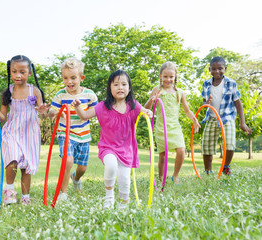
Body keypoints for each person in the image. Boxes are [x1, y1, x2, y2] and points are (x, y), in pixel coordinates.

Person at [72, 69, 153, 209]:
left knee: (125, 178)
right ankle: (109, 198)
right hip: (108, 147)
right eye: (116, 84)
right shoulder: (103, 106)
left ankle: (123, 204)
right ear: (110, 88)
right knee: (111, 166)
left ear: (129, 87)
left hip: (126, 149)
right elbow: (84, 116)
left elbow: (144, 111)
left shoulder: (133, 105)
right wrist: (78, 107)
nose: (120, 87)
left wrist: (148, 111)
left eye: (124, 84)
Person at [0, 55, 49, 205]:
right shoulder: (7, 93)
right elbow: (3, 117)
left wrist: (42, 111)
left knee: (26, 166)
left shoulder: (34, 91)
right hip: (12, 130)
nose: (18, 75)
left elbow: (43, 116)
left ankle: (25, 198)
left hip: (30, 132)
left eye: (22, 72)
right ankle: (9, 193)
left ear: (29, 73)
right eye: (14, 71)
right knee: (12, 159)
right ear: (10, 72)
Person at [48, 58, 98, 201]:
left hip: (83, 135)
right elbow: (51, 113)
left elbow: (96, 112)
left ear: (81, 78)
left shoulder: (89, 95)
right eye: (65, 78)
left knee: (82, 168)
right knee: (68, 161)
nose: (69, 81)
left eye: (73, 78)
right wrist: (55, 112)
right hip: (65, 132)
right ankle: (63, 194)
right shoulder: (60, 95)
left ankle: (75, 179)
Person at [144, 62, 200, 184]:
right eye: (165, 76)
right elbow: (146, 108)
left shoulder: (179, 92)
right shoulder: (157, 90)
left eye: (171, 77)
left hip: (174, 127)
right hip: (161, 127)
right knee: (162, 156)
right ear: (160, 76)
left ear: (175, 77)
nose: (168, 79)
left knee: (181, 150)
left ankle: (175, 175)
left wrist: (194, 119)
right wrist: (152, 99)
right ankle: (160, 179)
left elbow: (187, 110)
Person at [201, 56, 251, 175]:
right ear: (209, 69)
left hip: (227, 117)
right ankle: (208, 171)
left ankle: (226, 167)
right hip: (212, 117)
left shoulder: (231, 83)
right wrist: (206, 103)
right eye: (213, 69)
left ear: (225, 69)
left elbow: (238, 103)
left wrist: (242, 122)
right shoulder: (206, 84)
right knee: (206, 146)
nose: (217, 71)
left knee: (229, 144)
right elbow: (204, 102)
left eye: (220, 68)